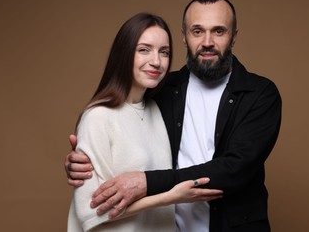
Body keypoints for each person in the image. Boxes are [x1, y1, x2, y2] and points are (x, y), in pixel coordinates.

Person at [65, 0, 282, 232]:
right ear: (184, 36)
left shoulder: (260, 93)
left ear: (234, 37)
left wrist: (146, 183)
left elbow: (235, 168)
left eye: (218, 31)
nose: (207, 41)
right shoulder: (161, 89)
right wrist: (86, 158)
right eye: (197, 31)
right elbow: (122, 125)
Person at [67, 12, 222, 232]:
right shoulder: (99, 116)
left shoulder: (156, 109)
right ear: (124, 54)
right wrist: (171, 197)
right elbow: (90, 211)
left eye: (164, 52)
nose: (156, 62)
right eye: (144, 50)